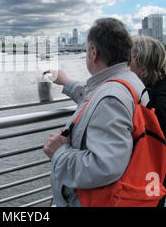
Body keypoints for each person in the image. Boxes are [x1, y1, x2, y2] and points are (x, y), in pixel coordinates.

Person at [43, 17, 148, 207]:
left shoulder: (110, 99)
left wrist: (59, 152)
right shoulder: (129, 81)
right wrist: (67, 82)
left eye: (86, 51)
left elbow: (104, 167)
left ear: (94, 52)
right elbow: (95, 98)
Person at [130, 36, 166, 207]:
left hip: (150, 191)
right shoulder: (160, 94)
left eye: (128, 61)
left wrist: (151, 196)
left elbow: (162, 157)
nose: (125, 66)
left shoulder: (159, 105)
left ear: (143, 68)